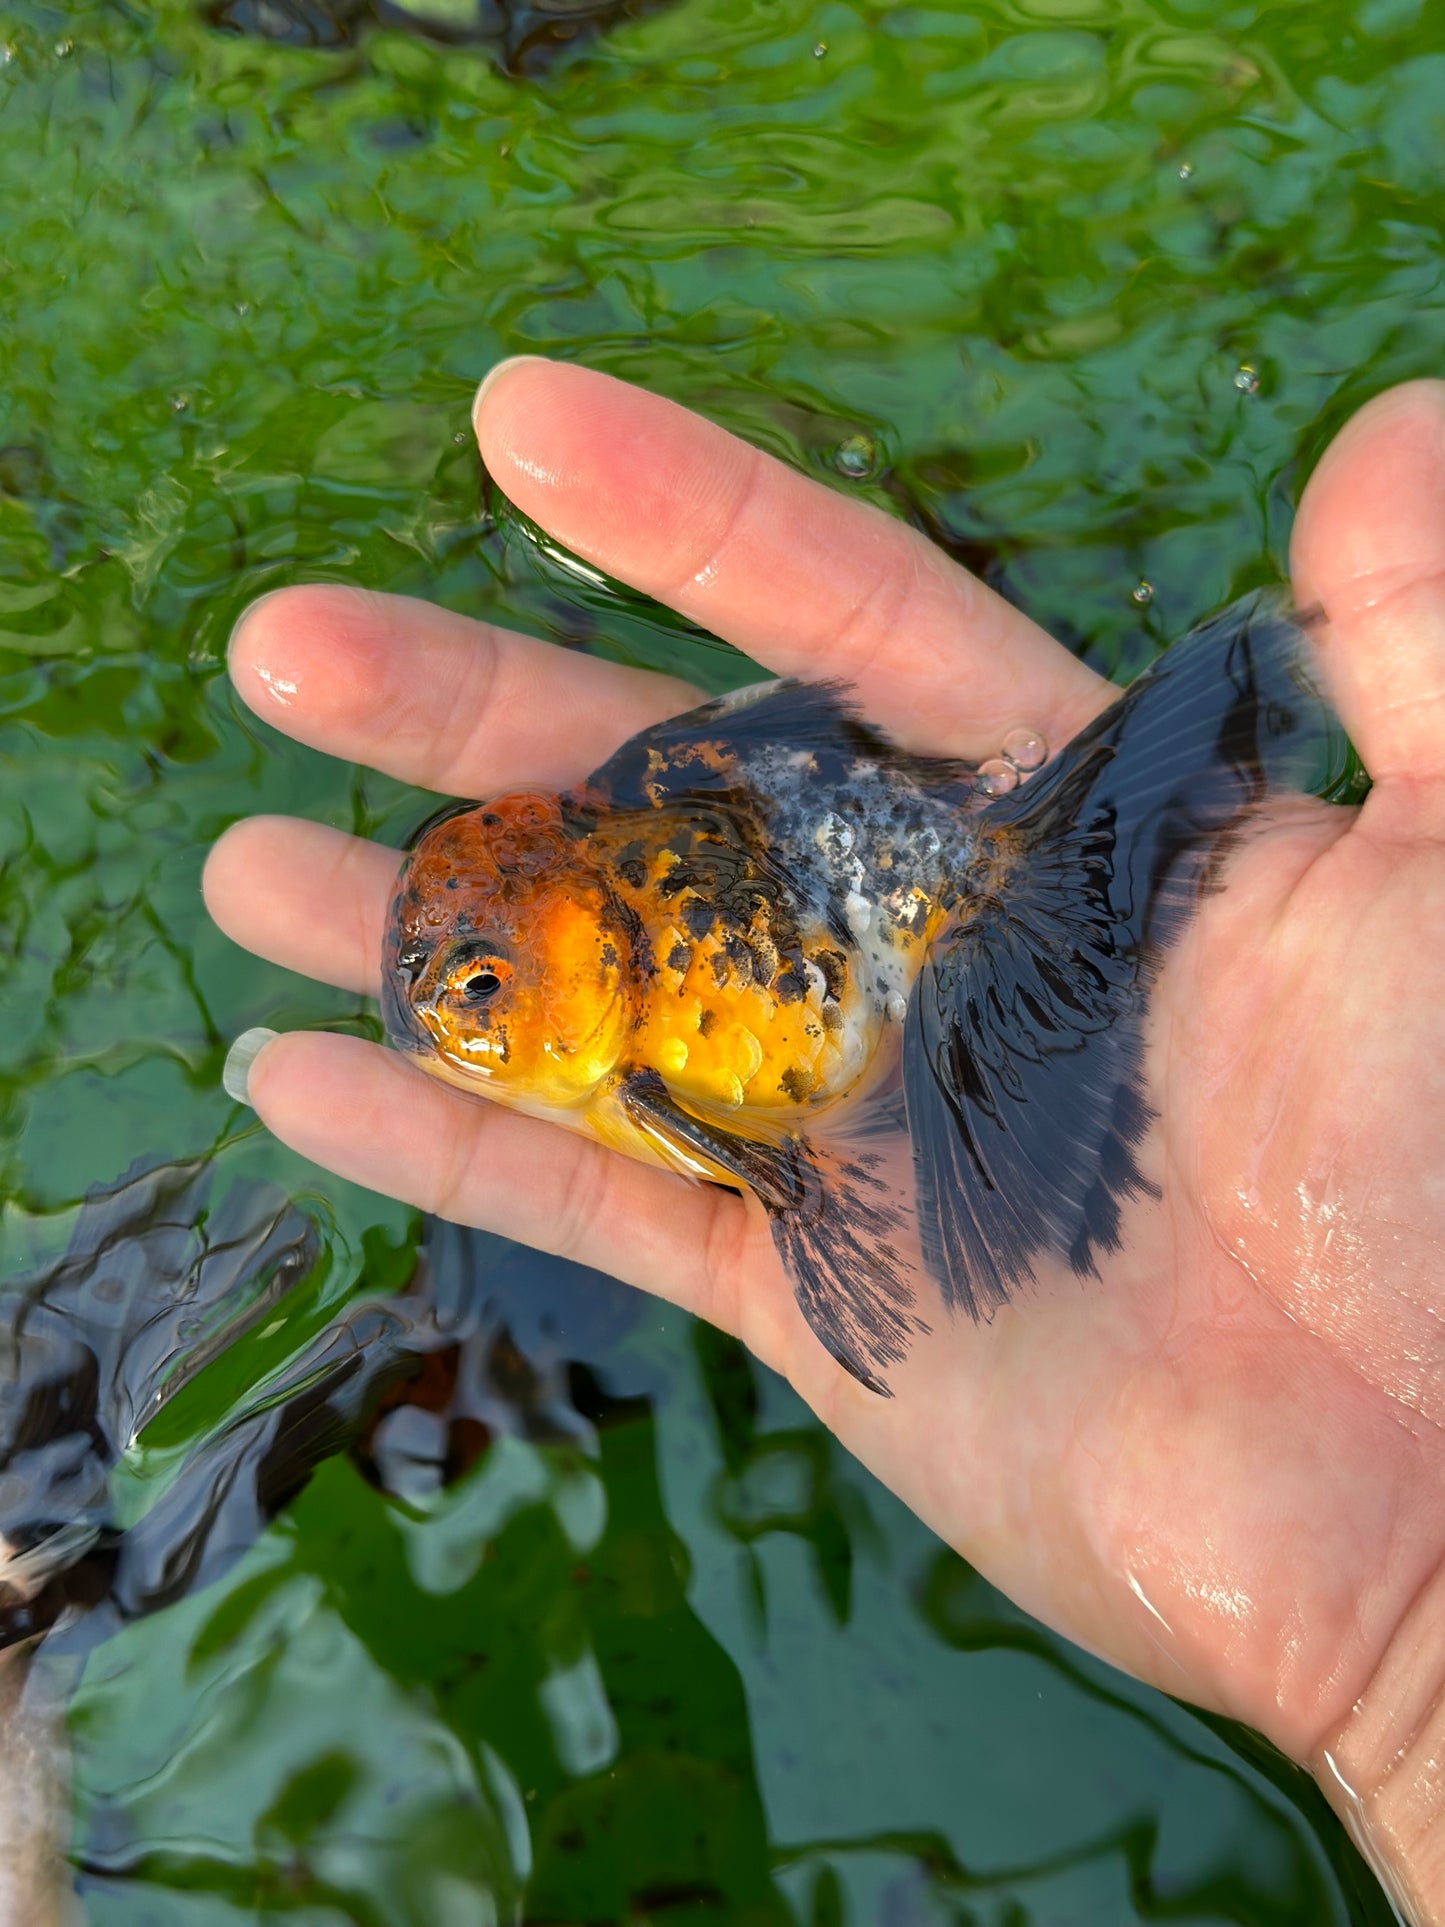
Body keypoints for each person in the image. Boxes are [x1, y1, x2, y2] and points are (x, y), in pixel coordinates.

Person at [204, 362, 1445, 1924]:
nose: (454, 1025)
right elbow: (783, 1171)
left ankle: (1079, 856)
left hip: (871, 931)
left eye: (478, 993)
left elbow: (778, 1168)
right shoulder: (627, 954)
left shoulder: (649, 1048)